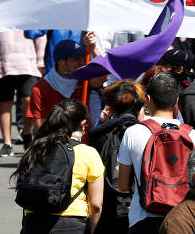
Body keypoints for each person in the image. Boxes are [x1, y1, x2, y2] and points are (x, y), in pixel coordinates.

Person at [117, 72, 195, 233]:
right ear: (176, 102)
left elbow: (122, 185)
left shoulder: (133, 132)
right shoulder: (193, 136)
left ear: (148, 99)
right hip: (183, 221)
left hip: (142, 220)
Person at [14, 99, 104, 234]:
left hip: (33, 223)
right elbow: (96, 205)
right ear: (83, 123)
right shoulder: (88, 153)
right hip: (72, 224)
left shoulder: (35, 148)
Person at [88, 80, 146, 234]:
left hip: (107, 208)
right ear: (140, 108)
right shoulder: (147, 134)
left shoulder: (98, 135)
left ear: (111, 109)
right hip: (139, 208)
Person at [0, 30, 45, 156]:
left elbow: (40, 38)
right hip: (3, 66)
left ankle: (27, 132)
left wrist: (40, 61)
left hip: (28, 66)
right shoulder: (0, 16)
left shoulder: (28, 16)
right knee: (4, 104)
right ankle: (7, 143)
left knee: (29, 101)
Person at [25, 40, 86, 137]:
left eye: (82, 57)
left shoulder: (86, 79)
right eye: (76, 59)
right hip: (56, 145)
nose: (82, 62)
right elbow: (40, 131)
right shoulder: (40, 89)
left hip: (86, 144)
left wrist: (94, 48)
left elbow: (104, 76)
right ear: (61, 62)